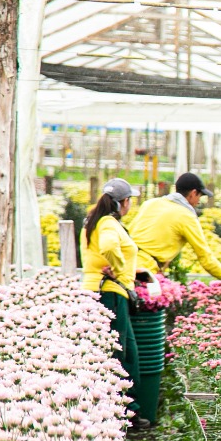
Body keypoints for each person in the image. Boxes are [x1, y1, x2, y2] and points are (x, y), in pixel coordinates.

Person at [82, 178, 144, 421]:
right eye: (130, 201)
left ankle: (121, 410)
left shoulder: (93, 220)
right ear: (123, 203)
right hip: (110, 293)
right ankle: (126, 412)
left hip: (97, 288)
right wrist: (119, 269)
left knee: (112, 352)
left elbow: (95, 255)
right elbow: (108, 248)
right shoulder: (108, 223)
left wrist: (131, 273)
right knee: (122, 355)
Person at [127, 172, 221, 289]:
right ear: (193, 193)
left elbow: (128, 234)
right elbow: (206, 259)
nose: (199, 201)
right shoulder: (186, 216)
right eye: (200, 196)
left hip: (123, 264)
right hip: (143, 273)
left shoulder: (151, 203)